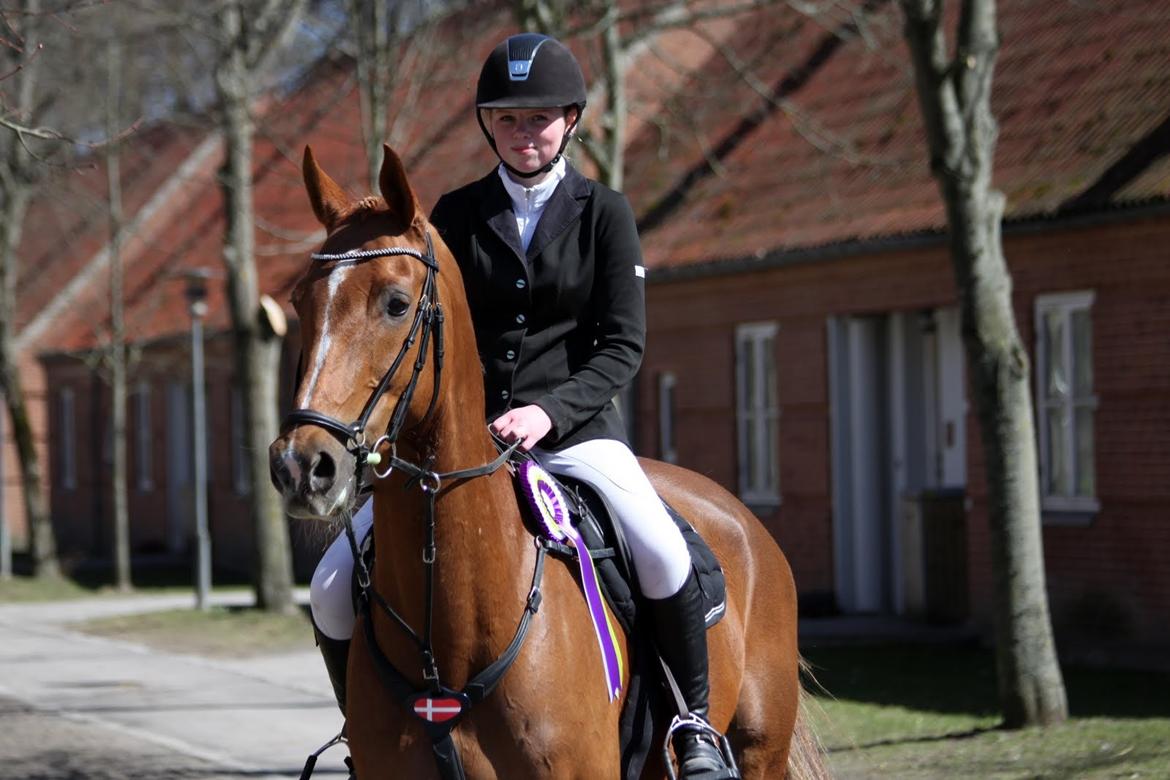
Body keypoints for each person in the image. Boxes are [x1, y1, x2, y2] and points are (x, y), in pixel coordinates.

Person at [309, 32, 735, 779]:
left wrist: (549, 412)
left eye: (539, 119)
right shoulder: (456, 215)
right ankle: (362, 732)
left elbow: (623, 346)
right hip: (461, 446)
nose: (524, 133)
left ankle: (693, 725)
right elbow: (422, 338)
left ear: (569, 121)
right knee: (332, 587)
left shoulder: (605, 213)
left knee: (665, 551)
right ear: (488, 126)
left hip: (574, 436)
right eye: (507, 119)